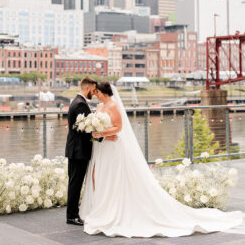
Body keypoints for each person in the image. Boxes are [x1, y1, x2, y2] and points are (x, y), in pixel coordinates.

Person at [79, 82, 243, 238]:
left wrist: (102, 133)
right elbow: (101, 126)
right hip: (102, 148)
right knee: (102, 177)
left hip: (113, 148)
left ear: (104, 92)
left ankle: (114, 210)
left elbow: (118, 128)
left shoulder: (114, 106)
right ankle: (103, 209)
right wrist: (96, 131)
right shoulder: (99, 107)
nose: (96, 95)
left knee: (114, 178)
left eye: (98, 92)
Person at [65, 77, 116, 226]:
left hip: (75, 150)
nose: (94, 94)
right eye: (93, 91)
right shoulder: (80, 104)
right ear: (88, 88)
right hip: (78, 151)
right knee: (76, 183)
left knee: (74, 182)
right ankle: (72, 216)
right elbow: (85, 130)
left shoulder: (76, 101)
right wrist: (103, 138)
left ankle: (72, 214)